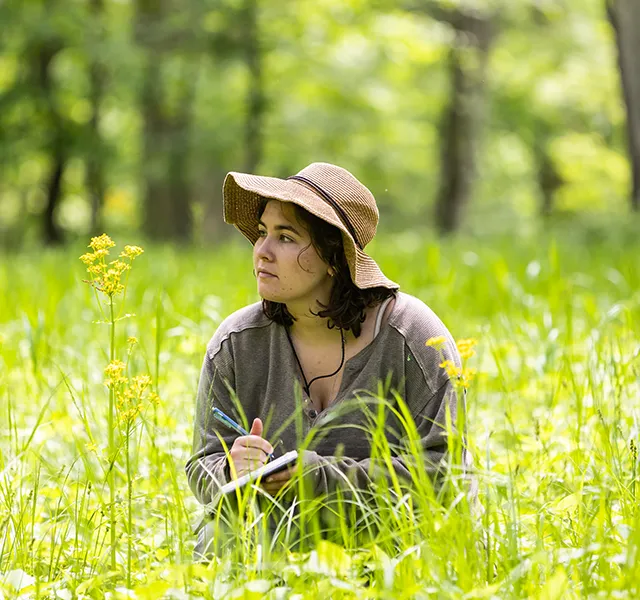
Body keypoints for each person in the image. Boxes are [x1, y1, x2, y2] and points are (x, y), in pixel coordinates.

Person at [185, 162, 473, 560]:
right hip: (271, 543)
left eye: (285, 237)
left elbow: (447, 474)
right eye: (263, 232)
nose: (262, 251)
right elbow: (202, 465)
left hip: (389, 548)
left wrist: (318, 478)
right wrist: (231, 468)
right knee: (219, 534)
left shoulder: (413, 336)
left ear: (334, 257)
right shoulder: (237, 342)